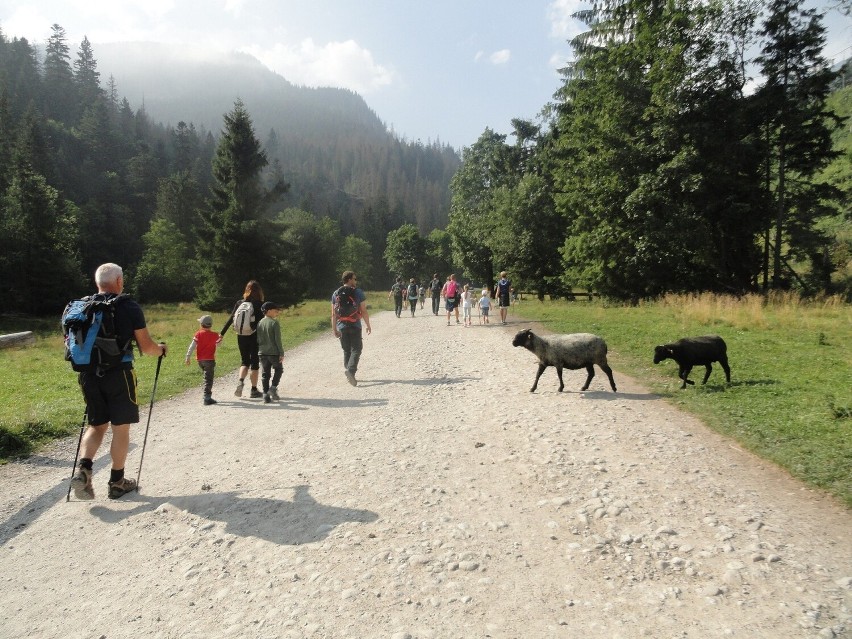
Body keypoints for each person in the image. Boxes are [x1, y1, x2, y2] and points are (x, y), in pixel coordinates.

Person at [70, 263, 167, 500]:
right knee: (120, 428)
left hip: (88, 376)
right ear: (120, 281)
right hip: (119, 374)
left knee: (96, 426)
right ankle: (117, 482)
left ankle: (84, 468)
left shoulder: (82, 307)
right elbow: (146, 347)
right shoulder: (128, 307)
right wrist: (161, 350)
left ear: (97, 283)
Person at [219, 280, 264, 398]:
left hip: (241, 335)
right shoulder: (259, 304)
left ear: (246, 290)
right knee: (254, 363)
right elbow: (262, 323)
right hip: (254, 336)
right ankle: (254, 390)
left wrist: (221, 334)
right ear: (259, 291)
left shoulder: (240, 303)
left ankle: (240, 381)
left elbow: (231, 319)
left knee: (244, 361)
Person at [331, 271, 372, 386]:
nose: (355, 281)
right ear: (349, 279)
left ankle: (349, 371)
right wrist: (368, 325)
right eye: (354, 279)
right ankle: (351, 371)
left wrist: (334, 329)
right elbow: (363, 310)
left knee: (346, 350)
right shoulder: (358, 292)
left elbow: (333, 314)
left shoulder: (335, 293)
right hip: (355, 325)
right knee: (357, 349)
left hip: (342, 326)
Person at [184, 314, 219, 405]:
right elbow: (218, 344)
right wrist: (220, 339)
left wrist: (188, 357)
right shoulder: (215, 335)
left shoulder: (198, 334)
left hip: (200, 360)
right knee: (209, 379)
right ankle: (207, 397)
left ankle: (206, 395)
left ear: (201, 324)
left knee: (206, 377)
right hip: (210, 360)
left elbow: (192, 347)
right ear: (211, 325)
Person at [257, 301, 284, 403]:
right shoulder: (274, 322)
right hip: (273, 352)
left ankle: (265, 395)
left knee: (265, 374)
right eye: (274, 310)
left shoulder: (260, 323)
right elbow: (278, 339)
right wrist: (281, 353)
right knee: (279, 369)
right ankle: (273, 388)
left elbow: (258, 339)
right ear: (268, 311)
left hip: (262, 352)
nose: (277, 311)